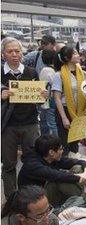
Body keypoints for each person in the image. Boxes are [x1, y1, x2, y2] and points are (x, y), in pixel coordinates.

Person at [1, 37, 47, 195]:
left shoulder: (31, 72)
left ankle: (30, 195)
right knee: (8, 165)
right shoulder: (0, 74)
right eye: (10, 51)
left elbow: (39, 101)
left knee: (32, 161)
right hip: (7, 126)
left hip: (30, 123)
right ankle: (11, 198)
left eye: (17, 51)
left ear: (22, 53)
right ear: (3, 55)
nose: (14, 54)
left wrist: (43, 96)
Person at [18, 135, 86, 207]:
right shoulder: (32, 165)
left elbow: (80, 162)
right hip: (34, 202)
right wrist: (80, 178)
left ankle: (81, 199)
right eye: (60, 149)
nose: (62, 151)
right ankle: (83, 199)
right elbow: (56, 175)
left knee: (78, 168)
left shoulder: (51, 158)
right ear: (51, 152)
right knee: (59, 181)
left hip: (47, 194)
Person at [52, 46, 86, 154]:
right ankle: (63, 167)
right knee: (64, 142)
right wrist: (64, 118)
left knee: (75, 142)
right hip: (65, 110)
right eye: (74, 54)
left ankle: (75, 166)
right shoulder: (59, 75)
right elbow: (57, 98)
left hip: (80, 111)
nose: (78, 55)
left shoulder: (83, 74)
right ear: (67, 57)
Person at [38, 48, 58, 136]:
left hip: (48, 99)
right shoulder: (54, 70)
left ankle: (54, 142)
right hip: (53, 98)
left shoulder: (45, 70)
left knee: (50, 122)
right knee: (52, 122)